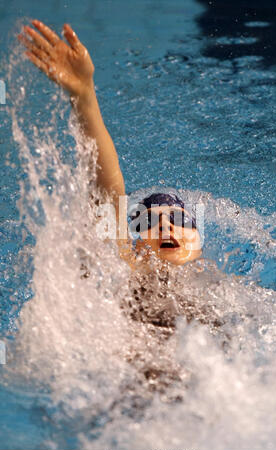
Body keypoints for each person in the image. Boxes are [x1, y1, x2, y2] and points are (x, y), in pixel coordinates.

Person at [18, 20, 203, 268]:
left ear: (199, 240)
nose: (166, 226)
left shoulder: (235, 291)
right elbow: (109, 197)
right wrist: (83, 95)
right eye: (148, 223)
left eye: (181, 220)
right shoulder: (131, 278)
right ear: (136, 244)